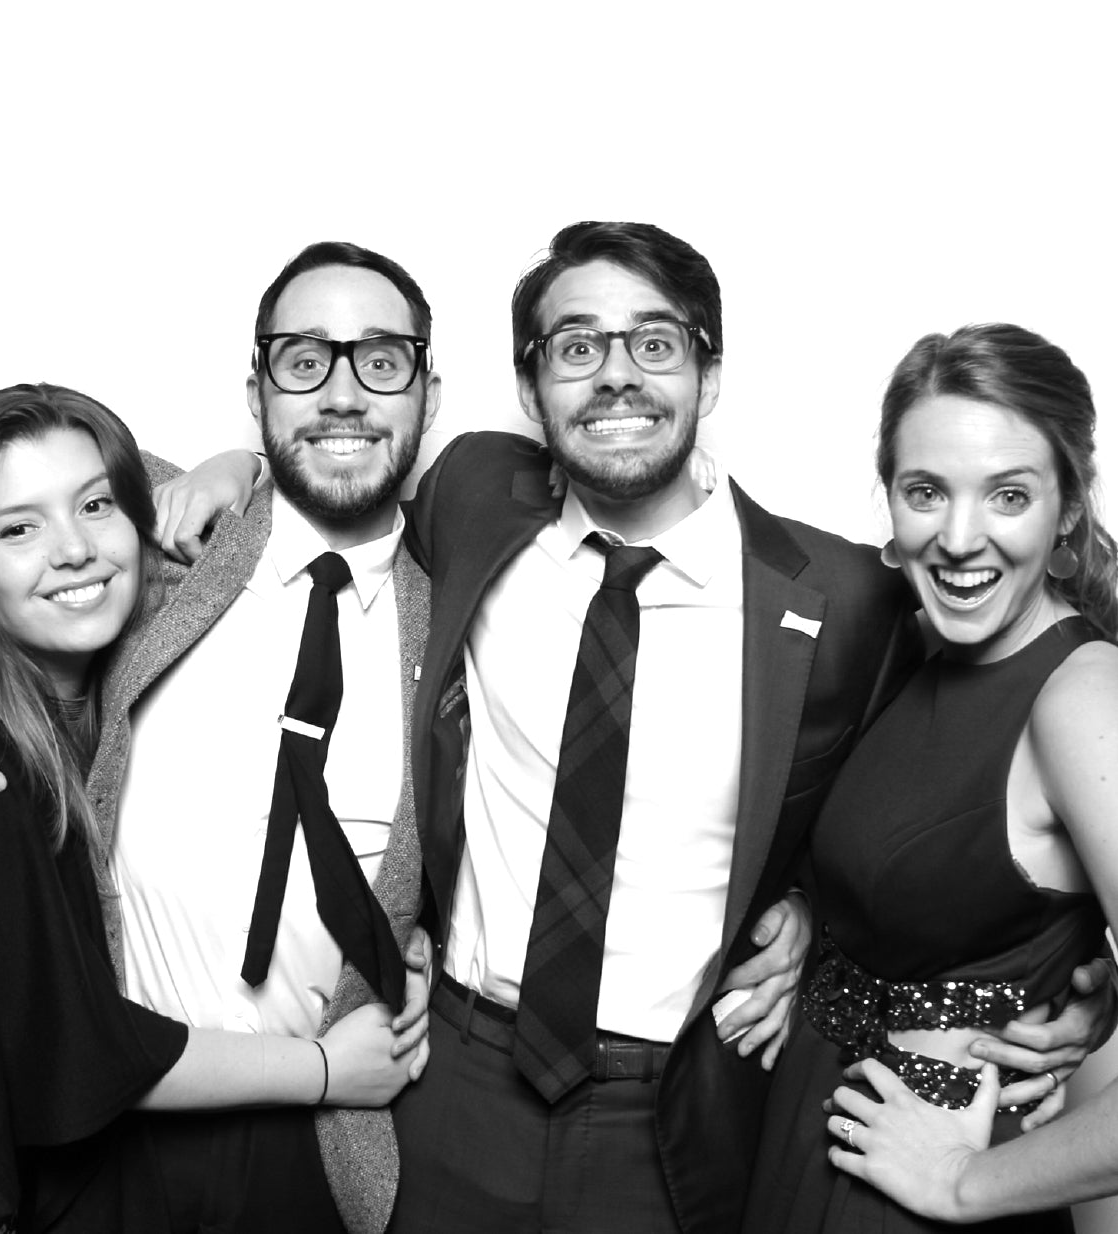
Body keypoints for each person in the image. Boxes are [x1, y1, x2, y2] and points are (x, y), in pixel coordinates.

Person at [386, 224, 1112, 1234]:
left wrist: (1086, 981)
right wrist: (227, 474)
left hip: (680, 1108)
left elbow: (959, 812)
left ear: (708, 372)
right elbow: (334, 480)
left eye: (654, 342)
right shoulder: (472, 495)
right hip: (458, 1079)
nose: (614, 377)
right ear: (528, 386)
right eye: (575, 346)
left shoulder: (847, 599)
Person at [0, 242, 446, 1234]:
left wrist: (784, 896)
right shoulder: (180, 553)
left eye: (382, 360)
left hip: (312, 1148)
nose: (344, 392)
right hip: (95, 1148)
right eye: (306, 359)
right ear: (257, 387)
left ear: (427, 393)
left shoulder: (459, 618)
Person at [741, 323, 1118, 1233]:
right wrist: (802, 912)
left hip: (926, 1187)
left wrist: (963, 1183)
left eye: (1007, 495)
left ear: (1067, 506)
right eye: (925, 492)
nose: (957, 538)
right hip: (809, 1139)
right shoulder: (910, 647)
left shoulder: (1081, 697)